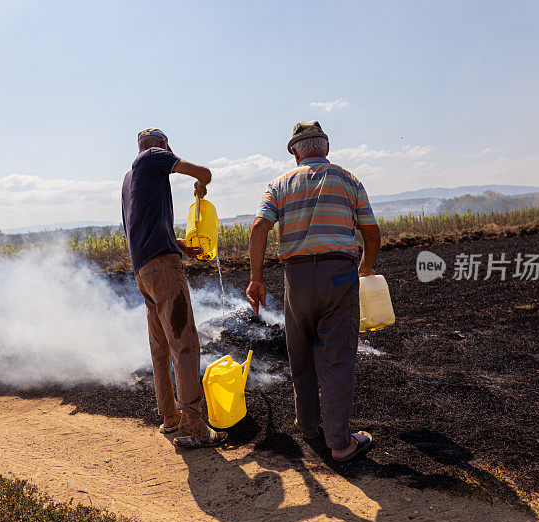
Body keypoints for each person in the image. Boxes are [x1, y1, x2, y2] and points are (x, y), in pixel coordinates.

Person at [245, 121, 381, 462]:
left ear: (295, 151)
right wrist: (364, 267)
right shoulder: (349, 179)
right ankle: (340, 444)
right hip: (339, 275)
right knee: (336, 358)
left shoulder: (278, 185)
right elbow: (371, 231)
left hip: (297, 278)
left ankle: (308, 426)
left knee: (301, 353)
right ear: (326, 148)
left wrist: (256, 277)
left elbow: (260, 225)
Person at [122, 128, 227, 448]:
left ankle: (169, 418)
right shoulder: (154, 157)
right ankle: (193, 424)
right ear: (164, 145)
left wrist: (181, 245)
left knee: (161, 349)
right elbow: (205, 172)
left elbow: (144, 225)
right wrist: (201, 185)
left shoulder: (129, 179)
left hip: (144, 272)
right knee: (185, 343)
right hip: (164, 271)